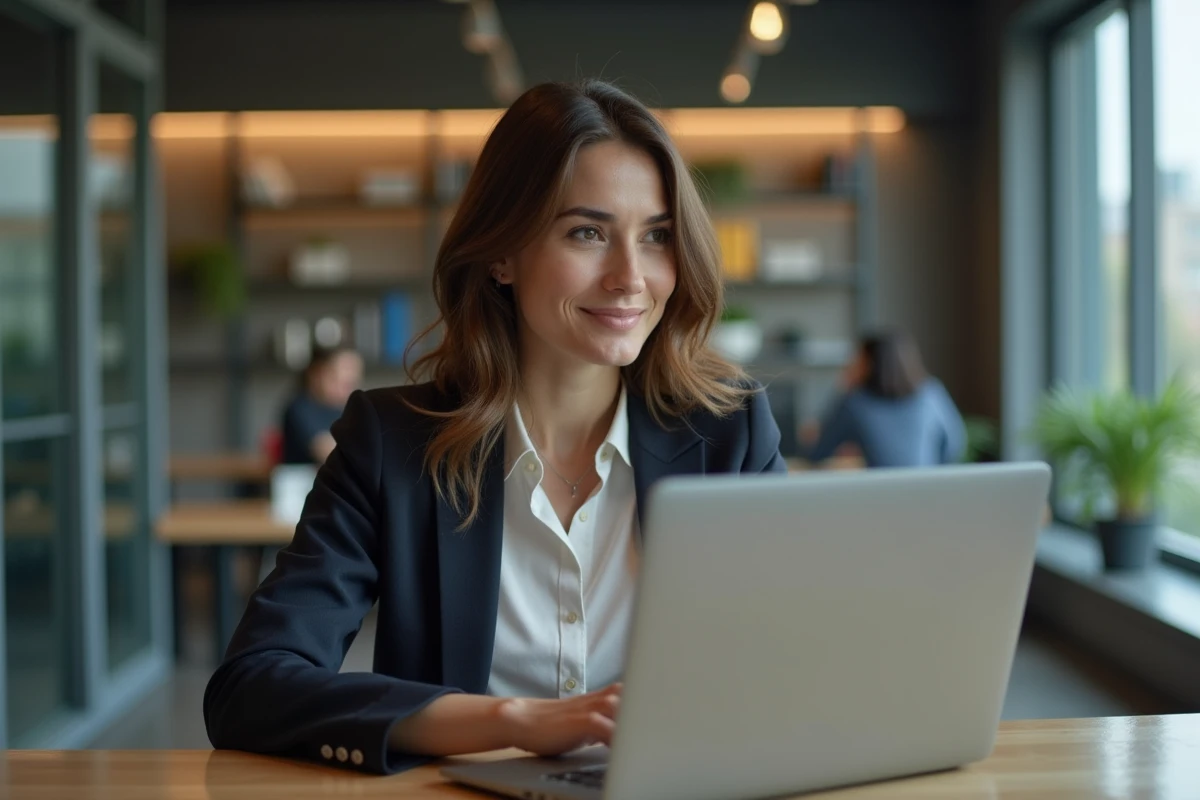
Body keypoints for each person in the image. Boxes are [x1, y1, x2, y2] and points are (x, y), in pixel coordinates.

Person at [204, 80, 785, 775]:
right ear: (502, 254)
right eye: (588, 232)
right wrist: (511, 721)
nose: (632, 277)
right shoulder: (390, 446)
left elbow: (800, 665)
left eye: (657, 236)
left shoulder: (732, 434)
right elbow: (251, 686)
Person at [803, 331, 966, 468]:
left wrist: (842, 387)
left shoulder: (854, 403)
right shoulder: (931, 393)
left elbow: (817, 454)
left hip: (880, 496)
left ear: (867, 364)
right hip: (929, 490)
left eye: (856, 360)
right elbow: (954, 446)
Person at [279, 345, 364, 465]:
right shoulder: (300, 408)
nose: (347, 385)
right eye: (337, 378)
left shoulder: (352, 411)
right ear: (316, 374)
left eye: (352, 379)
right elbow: (326, 451)